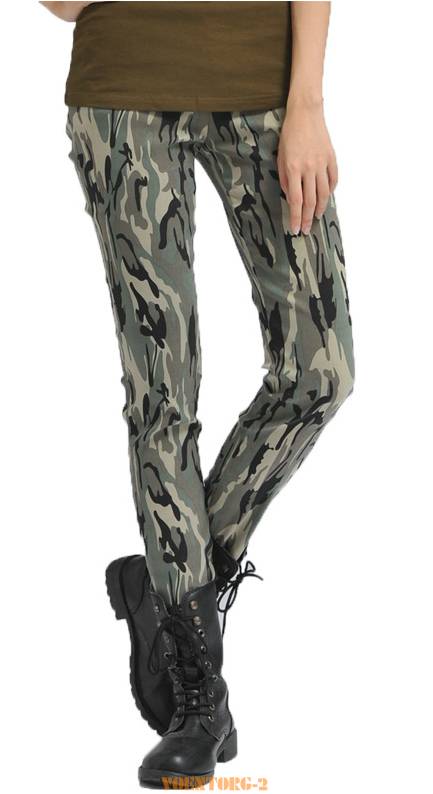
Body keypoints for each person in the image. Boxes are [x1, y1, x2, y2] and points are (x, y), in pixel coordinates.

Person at [40, 1, 355, 788]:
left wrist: (307, 103)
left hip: (263, 89)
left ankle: (168, 587)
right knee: (162, 397)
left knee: (318, 373)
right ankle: (197, 698)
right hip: (123, 98)